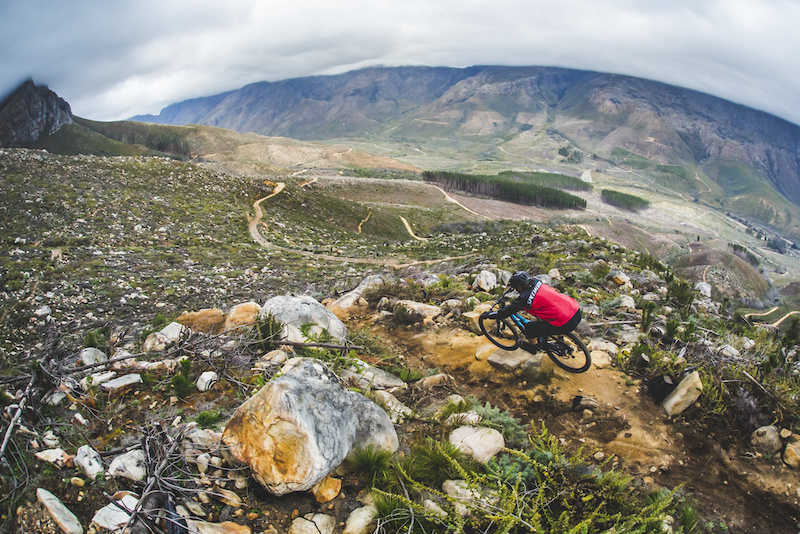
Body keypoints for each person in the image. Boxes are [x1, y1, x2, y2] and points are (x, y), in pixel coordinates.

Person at [481, 271, 581, 343]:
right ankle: (560, 338)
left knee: (528, 328)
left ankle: (532, 347)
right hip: (575, 309)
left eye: (516, 288)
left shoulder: (523, 299)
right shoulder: (537, 281)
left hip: (567, 322)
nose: (516, 290)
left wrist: (488, 315)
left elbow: (504, 313)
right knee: (548, 311)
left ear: (519, 287)